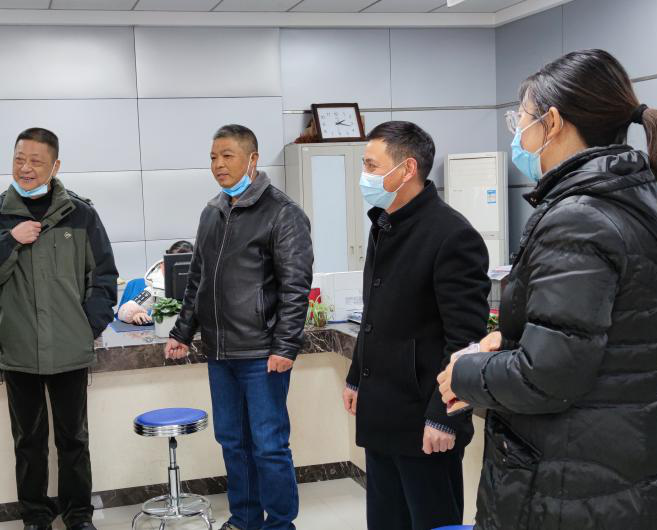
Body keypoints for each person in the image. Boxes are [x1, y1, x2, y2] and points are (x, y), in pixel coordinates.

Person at [438, 49, 657, 530]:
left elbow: (547, 376)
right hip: (622, 476)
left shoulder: (578, 218)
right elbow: (597, 339)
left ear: (552, 122)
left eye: (521, 120)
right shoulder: (639, 198)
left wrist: (465, 373)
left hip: (572, 492)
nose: (518, 134)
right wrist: (507, 341)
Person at [0, 128, 118, 530]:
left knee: (74, 440)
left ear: (55, 166)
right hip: (18, 349)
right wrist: (9, 240)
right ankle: (35, 517)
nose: (25, 168)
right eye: (19, 159)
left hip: (69, 348)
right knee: (28, 443)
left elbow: (102, 276)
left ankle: (78, 516)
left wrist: (87, 325)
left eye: (35, 161)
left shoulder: (81, 214)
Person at [340, 121, 490, 529]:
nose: (365, 175)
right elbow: (375, 315)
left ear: (407, 169)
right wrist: (356, 376)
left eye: (372, 165)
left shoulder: (452, 235)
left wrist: (445, 416)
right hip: (383, 412)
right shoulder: (384, 224)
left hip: (426, 421)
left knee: (430, 522)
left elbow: (466, 341)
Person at [164, 124, 313, 530]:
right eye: (213, 157)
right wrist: (181, 332)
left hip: (262, 353)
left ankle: (280, 524)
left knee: (268, 446)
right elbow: (197, 280)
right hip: (220, 351)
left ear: (253, 159)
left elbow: (296, 287)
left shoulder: (282, 212)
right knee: (232, 443)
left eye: (227, 155)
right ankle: (244, 519)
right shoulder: (212, 212)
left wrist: (285, 346)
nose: (218, 164)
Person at [116, 240, 193, 325]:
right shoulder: (156, 286)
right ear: (165, 265)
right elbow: (123, 311)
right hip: (164, 330)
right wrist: (136, 314)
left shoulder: (202, 286)